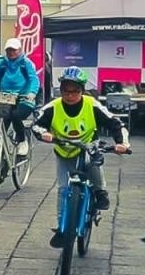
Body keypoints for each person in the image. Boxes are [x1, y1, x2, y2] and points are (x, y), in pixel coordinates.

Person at [33, 67, 129, 247]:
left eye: (75, 91)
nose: (70, 96)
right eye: (66, 91)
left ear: (82, 90)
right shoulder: (52, 107)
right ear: (60, 91)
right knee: (63, 190)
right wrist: (44, 134)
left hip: (88, 148)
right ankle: (63, 229)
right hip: (64, 152)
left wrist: (122, 143)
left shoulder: (91, 105)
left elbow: (115, 123)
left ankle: (100, 192)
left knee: (94, 168)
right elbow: (36, 124)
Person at [0, 38, 42, 157]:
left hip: (24, 99)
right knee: (0, 130)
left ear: (20, 50)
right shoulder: (3, 63)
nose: (11, 52)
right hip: (6, 99)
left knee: (15, 116)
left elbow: (34, 79)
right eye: (9, 50)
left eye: (14, 50)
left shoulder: (25, 63)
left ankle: (22, 141)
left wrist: (32, 92)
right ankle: (1, 163)